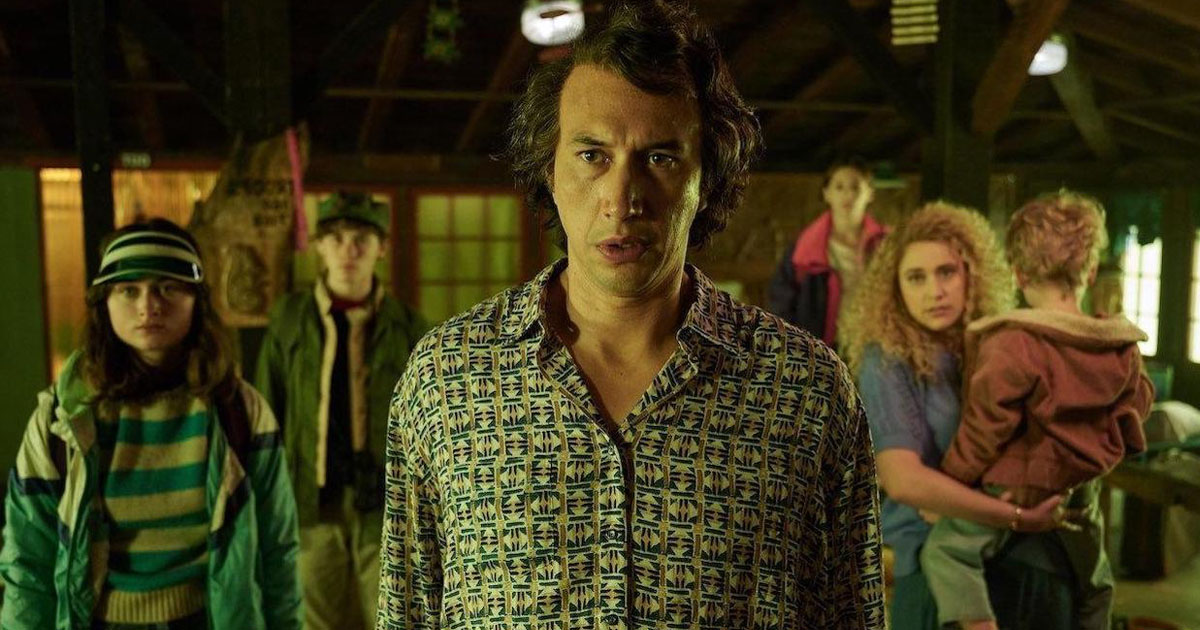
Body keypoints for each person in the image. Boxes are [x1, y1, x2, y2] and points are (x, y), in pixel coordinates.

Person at [376, 2, 884, 629]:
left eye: (660, 158)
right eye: (592, 156)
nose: (622, 199)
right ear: (550, 170)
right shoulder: (449, 379)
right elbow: (407, 612)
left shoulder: (804, 391)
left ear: (707, 178)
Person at [1, 218, 302, 630]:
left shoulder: (238, 412)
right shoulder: (64, 417)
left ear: (196, 301)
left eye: (168, 288)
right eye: (129, 290)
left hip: (209, 618)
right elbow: (28, 559)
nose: (149, 306)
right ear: (104, 302)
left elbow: (277, 548)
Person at [921, 192, 1154, 630]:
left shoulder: (1013, 342)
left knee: (945, 551)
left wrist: (952, 484)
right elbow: (1138, 403)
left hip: (1015, 488)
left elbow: (984, 429)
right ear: (1089, 271)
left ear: (1018, 273)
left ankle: (978, 623)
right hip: (1080, 492)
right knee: (1096, 580)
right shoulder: (1120, 345)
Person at [840, 202, 1075, 630]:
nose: (935, 291)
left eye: (946, 272)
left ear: (972, 274)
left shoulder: (998, 343)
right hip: (935, 561)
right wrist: (1013, 514)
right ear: (895, 289)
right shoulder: (887, 361)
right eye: (916, 277)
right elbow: (903, 480)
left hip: (1021, 554)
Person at [255, 191, 428, 630]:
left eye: (361, 240)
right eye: (335, 238)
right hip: (311, 499)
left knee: (394, 617)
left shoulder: (409, 326)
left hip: (389, 504)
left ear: (381, 247)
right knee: (315, 619)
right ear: (319, 246)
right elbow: (267, 412)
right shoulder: (289, 320)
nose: (348, 251)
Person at [767, 156, 888, 347]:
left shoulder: (887, 244)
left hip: (874, 343)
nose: (848, 195)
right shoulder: (803, 249)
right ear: (827, 194)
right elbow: (781, 302)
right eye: (839, 187)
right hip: (822, 347)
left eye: (855, 187)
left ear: (870, 193)